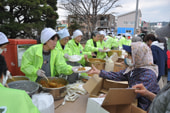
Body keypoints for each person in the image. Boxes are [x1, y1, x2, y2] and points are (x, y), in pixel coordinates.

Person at [87, 42, 160, 111]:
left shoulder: (148, 74)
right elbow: (119, 75)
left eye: (129, 55)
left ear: (137, 57)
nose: (126, 57)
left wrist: (110, 97)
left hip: (144, 107)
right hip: (135, 101)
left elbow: (132, 92)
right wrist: (99, 72)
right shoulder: (135, 68)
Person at [0, 32, 40, 113]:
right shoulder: (21, 96)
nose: (3, 50)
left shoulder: (1, 58)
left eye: (4, 48)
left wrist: (6, 72)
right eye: (2, 48)